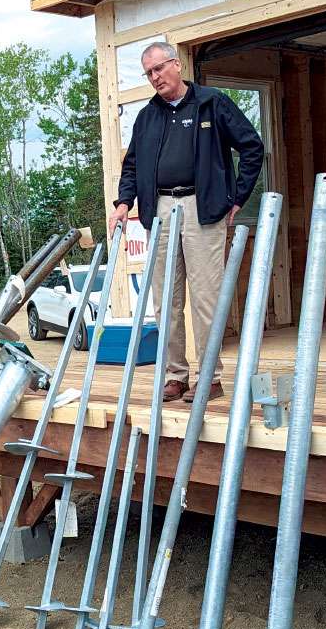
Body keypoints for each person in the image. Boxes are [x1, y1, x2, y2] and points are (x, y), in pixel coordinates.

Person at [108, 41, 264, 403]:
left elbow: (252, 147)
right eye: (148, 73)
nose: (155, 77)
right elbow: (131, 166)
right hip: (160, 209)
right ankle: (175, 375)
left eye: (159, 69)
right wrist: (122, 203)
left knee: (205, 298)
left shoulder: (212, 102)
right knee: (166, 300)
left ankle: (210, 377)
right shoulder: (147, 117)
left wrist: (237, 198)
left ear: (177, 65)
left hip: (202, 207)